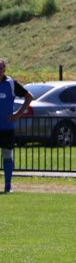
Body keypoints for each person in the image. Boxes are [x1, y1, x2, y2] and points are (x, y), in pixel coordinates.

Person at [0, 59, 34, 193]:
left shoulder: (11, 84)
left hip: (6, 127)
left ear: (4, 69)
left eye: (0, 68)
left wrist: (17, 114)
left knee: (7, 155)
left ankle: (8, 185)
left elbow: (29, 97)